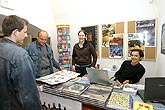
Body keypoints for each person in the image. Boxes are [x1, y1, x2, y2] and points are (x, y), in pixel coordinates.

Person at [0, 15, 41, 110]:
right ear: (15, 32)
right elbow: (28, 95)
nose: (26, 35)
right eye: (25, 32)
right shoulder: (20, 55)